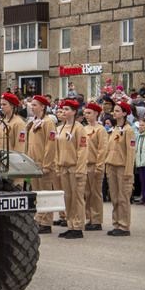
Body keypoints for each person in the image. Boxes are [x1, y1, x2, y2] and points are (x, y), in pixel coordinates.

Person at [26, 95, 58, 234]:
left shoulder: (48, 122)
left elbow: (50, 145)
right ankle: (39, 218)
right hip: (33, 163)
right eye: (31, 105)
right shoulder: (34, 122)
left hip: (43, 163)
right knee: (37, 193)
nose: (32, 107)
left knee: (45, 193)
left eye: (35, 105)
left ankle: (46, 222)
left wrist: (47, 164)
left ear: (43, 107)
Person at [55, 99, 87, 239]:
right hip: (63, 166)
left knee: (77, 197)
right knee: (67, 197)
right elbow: (57, 148)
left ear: (74, 112)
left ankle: (78, 226)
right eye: (63, 109)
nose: (65, 111)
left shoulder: (79, 128)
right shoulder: (61, 128)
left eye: (67, 109)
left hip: (74, 167)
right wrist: (57, 165)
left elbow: (82, 149)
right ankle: (70, 224)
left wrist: (80, 168)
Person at [105, 101, 136, 236]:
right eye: (114, 110)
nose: (114, 113)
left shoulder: (128, 130)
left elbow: (131, 152)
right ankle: (116, 222)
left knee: (123, 197)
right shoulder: (114, 129)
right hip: (111, 165)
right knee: (115, 197)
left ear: (124, 113)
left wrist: (129, 171)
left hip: (123, 167)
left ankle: (124, 225)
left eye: (118, 111)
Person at [82, 102, 109, 231]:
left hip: (94, 164)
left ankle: (97, 219)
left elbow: (102, 149)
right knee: (87, 193)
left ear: (96, 114)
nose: (86, 115)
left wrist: (99, 166)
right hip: (85, 164)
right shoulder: (84, 129)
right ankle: (89, 218)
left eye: (89, 113)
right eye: (85, 113)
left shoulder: (100, 130)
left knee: (95, 193)